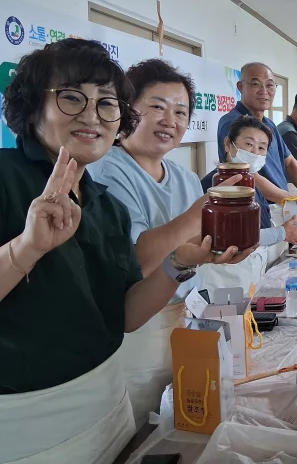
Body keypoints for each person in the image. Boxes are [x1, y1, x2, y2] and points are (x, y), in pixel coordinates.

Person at [0, 40, 243, 463]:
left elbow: (126, 314)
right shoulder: (5, 177)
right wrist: (26, 249)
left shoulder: (105, 204)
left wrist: (179, 263)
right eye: (72, 97)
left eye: (107, 103)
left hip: (109, 403)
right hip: (26, 420)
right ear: (32, 106)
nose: (91, 115)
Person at [87, 59, 256, 429]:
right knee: (141, 428)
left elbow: (190, 248)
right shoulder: (106, 170)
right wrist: (200, 211)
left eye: (181, 111)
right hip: (135, 329)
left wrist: (222, 252)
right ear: (126, 110)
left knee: (184, 423)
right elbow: (137, 260)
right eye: (157, 107)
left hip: (186, 316)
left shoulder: (182, 176)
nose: (170, 120)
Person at [217, 62, 297, 226]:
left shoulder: (269, 124)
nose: (264, 91)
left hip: (282, 207)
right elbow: (247, 176)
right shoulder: (232, 123)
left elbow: (290, 161)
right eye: (256, 84)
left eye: (269, 85)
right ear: (240, 87)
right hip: (255, 212)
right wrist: (292, 199)